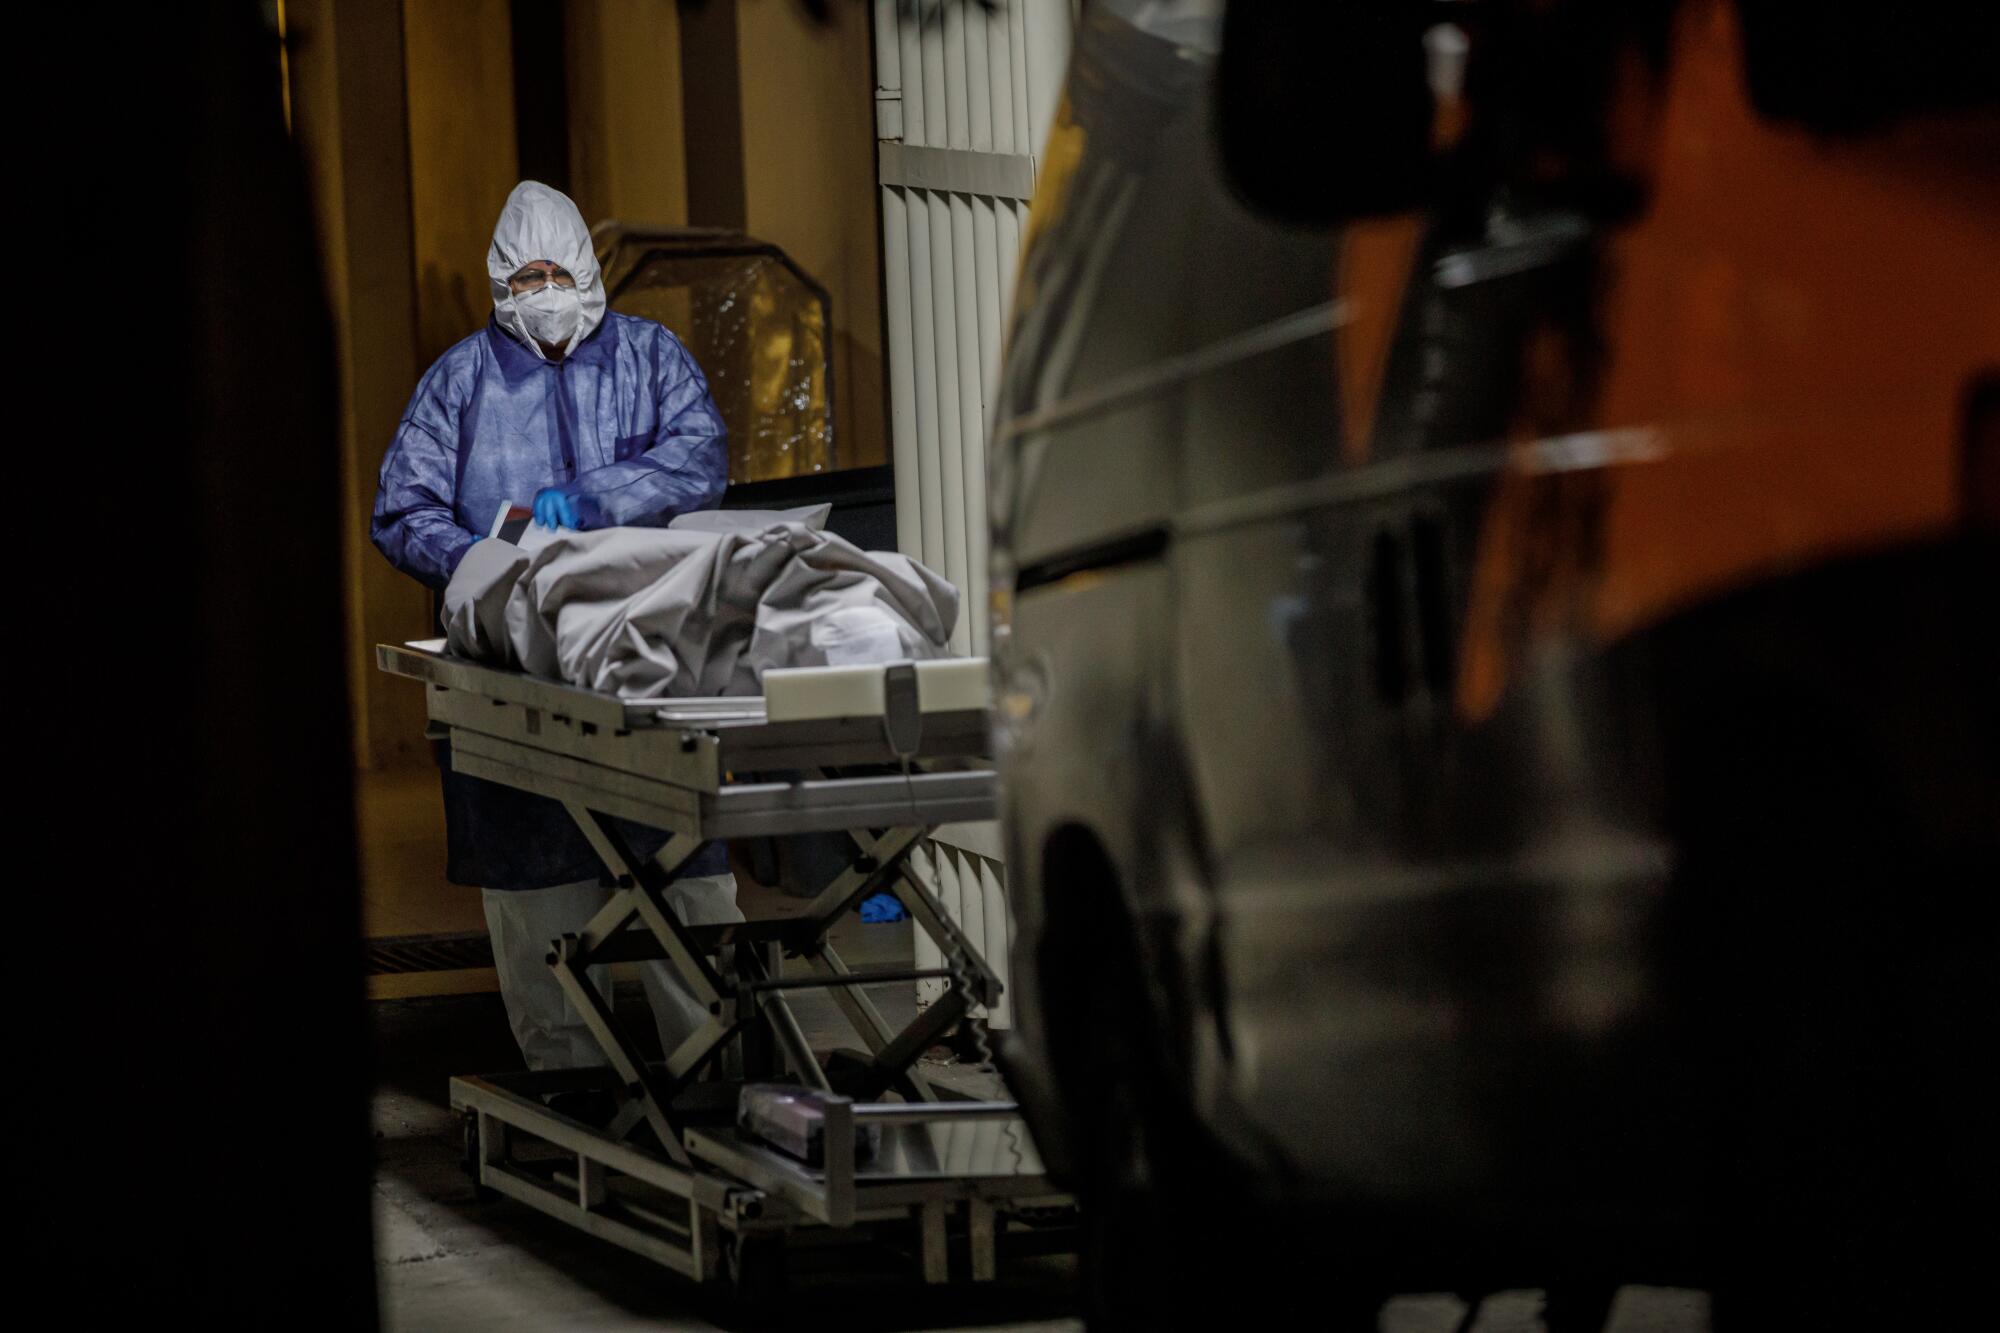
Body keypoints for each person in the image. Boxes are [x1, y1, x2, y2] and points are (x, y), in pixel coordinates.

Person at [373, 180, 741, 1077]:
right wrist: (482, 564)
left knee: (682, 874)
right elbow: (400, 505)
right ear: (500, 283)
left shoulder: (650, 358)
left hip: (638, 653)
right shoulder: (459, 382)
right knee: (538, 885)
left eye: (558, 271)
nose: (544, 290)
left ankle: (712, 1075)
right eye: (526, 276)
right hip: (514, 666)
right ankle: (570, 1085)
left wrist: (597, 499)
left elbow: (700, 454)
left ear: (589, 271)